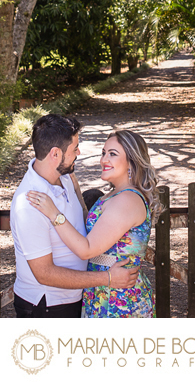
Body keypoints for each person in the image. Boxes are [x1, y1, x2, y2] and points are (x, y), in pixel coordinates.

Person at [10, 114, 139, 318]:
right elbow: (44, 273)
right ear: (55, 154)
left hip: (76, 298)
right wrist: (106, 278)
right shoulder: (30, 203)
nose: (79, 152)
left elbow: (82, 230)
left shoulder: (65, 176)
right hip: (48, 305)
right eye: (74, 148)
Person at [27, 129, 162, 317]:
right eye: (103, 153)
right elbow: (93, 227)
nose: (104, 160)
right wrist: (75, 190)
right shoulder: (115, 194)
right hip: (103, 291)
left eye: (113, 154)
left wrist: (54, 214)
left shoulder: (127, 200)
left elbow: (87, 249)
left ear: (132, 162)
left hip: (120, 298)